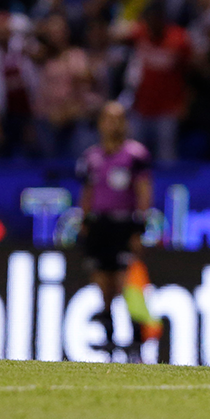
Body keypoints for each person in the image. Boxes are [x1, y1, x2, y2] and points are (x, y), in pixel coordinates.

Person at [77, 101, 162, 362]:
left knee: (128, 284)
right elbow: (88, 192)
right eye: (108, 118)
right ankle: (109, 339)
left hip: (125, 224)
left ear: (125, 123)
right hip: (100, 225)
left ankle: (136, 341)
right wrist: (84, 220)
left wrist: (139, 227)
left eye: (118, 118)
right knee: (103, 283)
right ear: (101, 123)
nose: (113, 124)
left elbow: (143, 191)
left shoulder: (136, 155)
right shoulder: (91, 157)